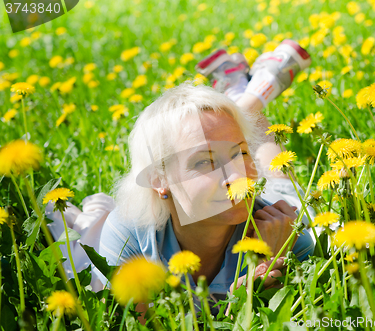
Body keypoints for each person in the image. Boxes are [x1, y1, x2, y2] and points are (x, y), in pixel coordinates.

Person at [45, 39, 316, 308]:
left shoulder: (286, 233)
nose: (235, 176)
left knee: (276, 168)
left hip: (276, 195)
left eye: (241, 153)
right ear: (159, 180)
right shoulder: (129, 237)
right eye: (204, 162)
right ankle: (246, 89)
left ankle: (241, 92)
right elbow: (133, 323)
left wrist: (267, 271)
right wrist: (239, 304)